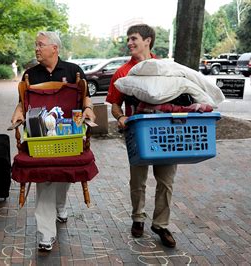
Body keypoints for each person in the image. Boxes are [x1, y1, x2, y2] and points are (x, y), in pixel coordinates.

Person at [11, 31, 96, 251]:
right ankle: (46, 234)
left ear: (54, 48)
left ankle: (60, 206)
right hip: (41, 138)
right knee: (46, 178)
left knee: (63, 178)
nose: (36, 49)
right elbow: (22, 103)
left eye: (40, 45)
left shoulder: (73, 71)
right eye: (35, 45)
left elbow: (86, 97)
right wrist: (18, 112)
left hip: (69, 136)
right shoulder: (30, 74)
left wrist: (88, 109)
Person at [106, 24, 177, 248]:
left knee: (166, 181)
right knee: (138, 181)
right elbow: (115, 104)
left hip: (166, 132)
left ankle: (161, 224)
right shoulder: (122, 72)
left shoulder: (164, 67)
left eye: (134, 38)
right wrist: (120, 118)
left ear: (148, 41)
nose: (129, 43)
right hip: (137, 133)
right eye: (128, 39)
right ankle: (138, 218)